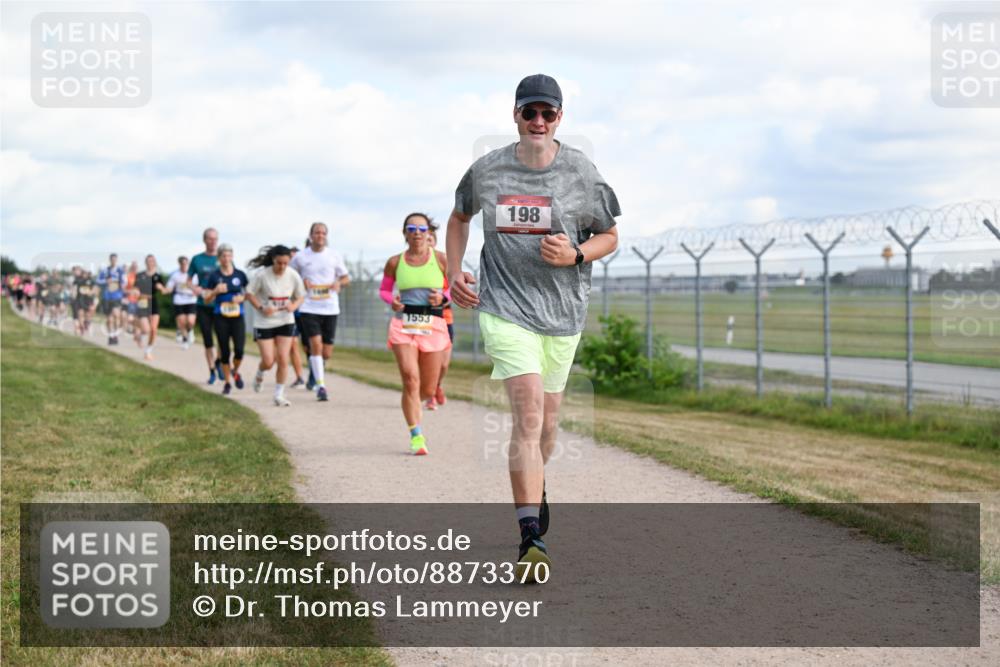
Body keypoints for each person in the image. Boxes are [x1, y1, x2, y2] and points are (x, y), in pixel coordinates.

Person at [445, 74, 621, 582]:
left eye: (548, 113)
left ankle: (535, 482)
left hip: (563, 314)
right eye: (530, 113)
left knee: (546, 426)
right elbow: (458, 219)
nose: (538, 122)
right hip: (505, 307)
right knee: (526, 417)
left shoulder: (582, 173)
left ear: (560, 117)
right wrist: (455, 270)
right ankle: (531, 538)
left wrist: (577, 253)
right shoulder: (488, 169)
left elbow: (610, 235)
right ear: (516, 115)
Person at [379, 213, 451, 455]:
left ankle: (415, 405)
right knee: (410, 379)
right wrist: (393, 300)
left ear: (428, 232)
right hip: (403, 324)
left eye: (422, 229)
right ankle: (416, 435)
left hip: (433, 324)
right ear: (405, 233)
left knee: (427, 390)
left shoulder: (441, 259)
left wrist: (443, 297)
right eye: (412, 228)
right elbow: (384, 290)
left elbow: (453, 287)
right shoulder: (394, 262)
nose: (417, 233)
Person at [290, 222, 351, 402]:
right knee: (315, 345)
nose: (320, 236)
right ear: (310, 235)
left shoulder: (334, 256)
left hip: (330, 307)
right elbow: (290, 277)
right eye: (317, 233)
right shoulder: (300, 257)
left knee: (326, 353)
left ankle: (315, 373)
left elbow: (346, 277)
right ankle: (321, 386)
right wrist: (302, 281)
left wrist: (339, 283)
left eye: (323, 233)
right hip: (309, 307)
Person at [245, 245, 306, 407]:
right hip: (264, 322)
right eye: (279, 263)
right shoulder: (262, 275)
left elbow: (301, 296)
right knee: (268, 360)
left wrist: (294, 306)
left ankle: (279, 395)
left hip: (285, 321)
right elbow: (249, 294)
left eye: (286, 263)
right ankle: (260, 373)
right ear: (273, 260)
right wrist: (261, 308)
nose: (282, 267)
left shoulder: (293, 275)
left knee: (283, 359)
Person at [202, 244, 249, 396]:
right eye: (223, 256)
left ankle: (235, 371)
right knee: (225, 351)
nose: (226, 259)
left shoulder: (240, 275)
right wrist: (215, 291)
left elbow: (249, 294)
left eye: (229, 256)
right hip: (220, 317)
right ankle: (228, 382)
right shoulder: (214, 276)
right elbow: (206, 300)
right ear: (219, 258)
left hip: (237, 316)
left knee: (240, 350)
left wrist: (241, 298)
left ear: (232, 257)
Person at [189, 228, 223, 384]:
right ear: (204, 240)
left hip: (220, 304)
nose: (213, 241)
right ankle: (211, 371)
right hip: (203, 304)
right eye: (210, 238)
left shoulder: (223, 258)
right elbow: (189, 280)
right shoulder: (197, 259)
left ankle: (219, 362)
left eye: (215, 238)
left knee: (222, 339)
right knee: (208, 340)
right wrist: (194, 288)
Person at [427, 228, 452, 409]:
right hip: (422, 320)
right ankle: (429, 395)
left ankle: (437, 385)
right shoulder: (413, 265)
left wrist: (443, 298)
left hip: (445, 319)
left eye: (430, 240)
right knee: (427, 360)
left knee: (443, 364)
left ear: (434, 242)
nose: (426, 243)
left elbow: (453, 288)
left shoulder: (443, 263)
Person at [135, 255, 169, 360]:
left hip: (153, 301)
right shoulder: (140, 275)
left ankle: (148, 351)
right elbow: (135, 288)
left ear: (155, 263)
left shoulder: (158, 276)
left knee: (154, 329)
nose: (150, 263)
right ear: (146, 262)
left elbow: (165, 291)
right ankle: (140, 335)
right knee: (146, 329)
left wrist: (162, 288)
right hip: (142, 301)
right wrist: (136, 291)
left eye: (152, 261)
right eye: (148, 261)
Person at [166, 256, 198, 348]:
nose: (184, 265)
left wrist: (197, 291)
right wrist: (166, 290)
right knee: (182, 322)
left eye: (186, 264)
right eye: (182, 264)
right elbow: (169, 287)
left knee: (190, 321)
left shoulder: (194, 275)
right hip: (179, 299)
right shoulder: (175, 275)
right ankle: (185, 339)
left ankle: (190, 331)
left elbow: (199, 286)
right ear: (179, 264)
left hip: (191, 299)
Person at [287, 246, 307, 389]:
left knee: (308, 346)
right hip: (291, 314)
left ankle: (315, 373)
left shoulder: (308, 274)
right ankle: (300, 377)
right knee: (293, 345)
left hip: (307, 313)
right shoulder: (285, 276)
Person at [96, 253, 126, 345]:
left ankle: (115, 334)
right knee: (109, 319)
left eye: (115, 259)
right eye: (112, 259)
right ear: (110, 260)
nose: (113, 261)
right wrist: (106, 281)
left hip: (117, 296)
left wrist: (121, 284)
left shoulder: (120, 271)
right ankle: (111, 336)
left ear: (116, 260)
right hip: (107, 296)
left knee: (116, 314)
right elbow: (97, 280)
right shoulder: (105, 270)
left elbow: (125, 282)